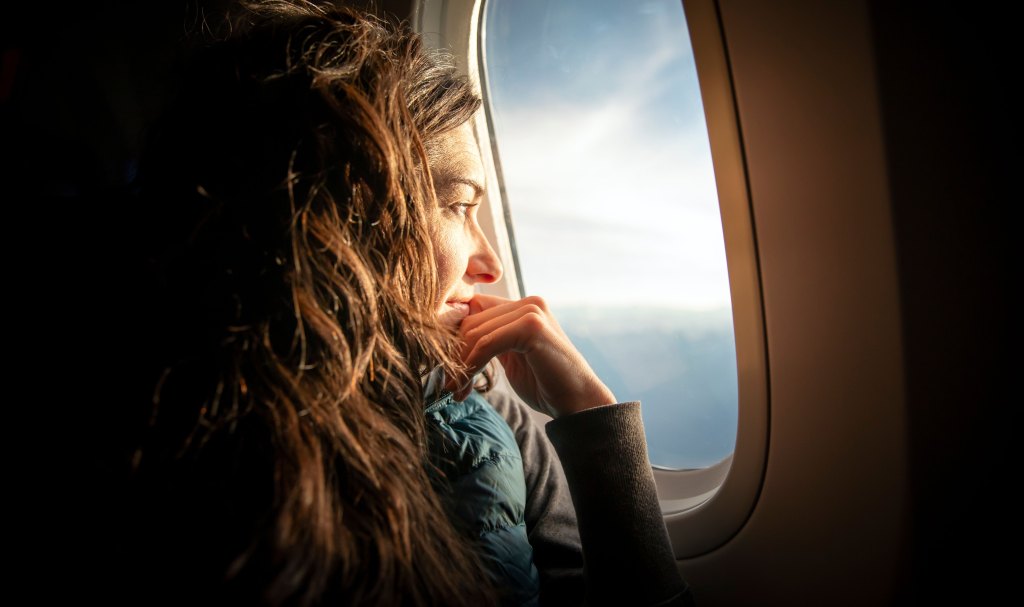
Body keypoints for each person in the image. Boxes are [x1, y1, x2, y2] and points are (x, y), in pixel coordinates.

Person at [118, 2, 693, 605]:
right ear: (341, 216)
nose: (491, 263)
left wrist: (589, 414)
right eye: (458, 206)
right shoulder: (183, 452)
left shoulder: (490, 399)